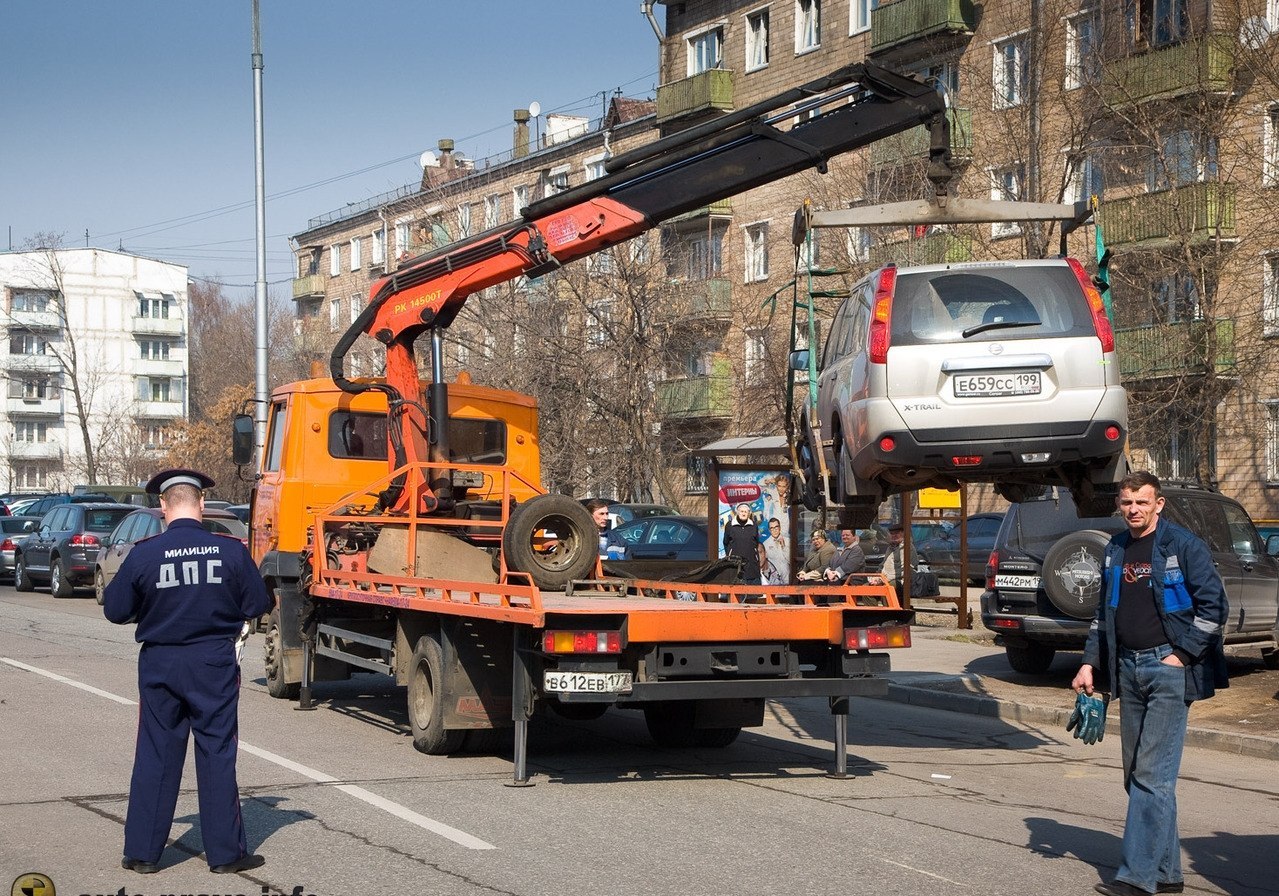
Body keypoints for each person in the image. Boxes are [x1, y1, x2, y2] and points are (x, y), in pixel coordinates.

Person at [103, 469, 272, 875]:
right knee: (216, 751)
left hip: (161, 662)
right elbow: (257, 604)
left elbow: (115, 610)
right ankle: (226, 855)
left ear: (163, 506)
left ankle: (142, 853)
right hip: (211, 663)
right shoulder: (229, 551)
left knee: (156, 754)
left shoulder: (145, 553)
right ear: (201, 504)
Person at [1070, 471, 1229, 896]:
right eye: (1127, 503)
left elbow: (1215, 607)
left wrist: (1183, 655)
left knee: (1151, 778)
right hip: (1127, 669)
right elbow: (1103, 615)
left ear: (1158, 504)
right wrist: (1090, 663)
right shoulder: (1116, 549)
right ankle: (1168, 874)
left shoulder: (1183, 545)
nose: (1134, 509)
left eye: (1142, 502)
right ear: (1120, 505)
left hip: (1168, 670)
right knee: (1137, 778)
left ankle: (1137, 879)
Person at [722, 502, 762, 585]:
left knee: (753, 594)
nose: (743, 513)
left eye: (745, 512)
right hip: (735, 565)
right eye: (741, 511)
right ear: (737, 512)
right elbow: (726, 542)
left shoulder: (754, 525)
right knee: (737, 594)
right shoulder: (730, 525)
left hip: (751, 565)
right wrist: (730, 555)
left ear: (749, 513)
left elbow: (756, 542)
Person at [763, 517, 791, 583]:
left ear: (780, 527)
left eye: (776, 527)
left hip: (788, 577)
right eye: (772, 528)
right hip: (774, 580)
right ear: (769, 530)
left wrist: (784, 547)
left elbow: (791, 560)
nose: (774, 530)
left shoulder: (788, 541)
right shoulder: (765, 544)